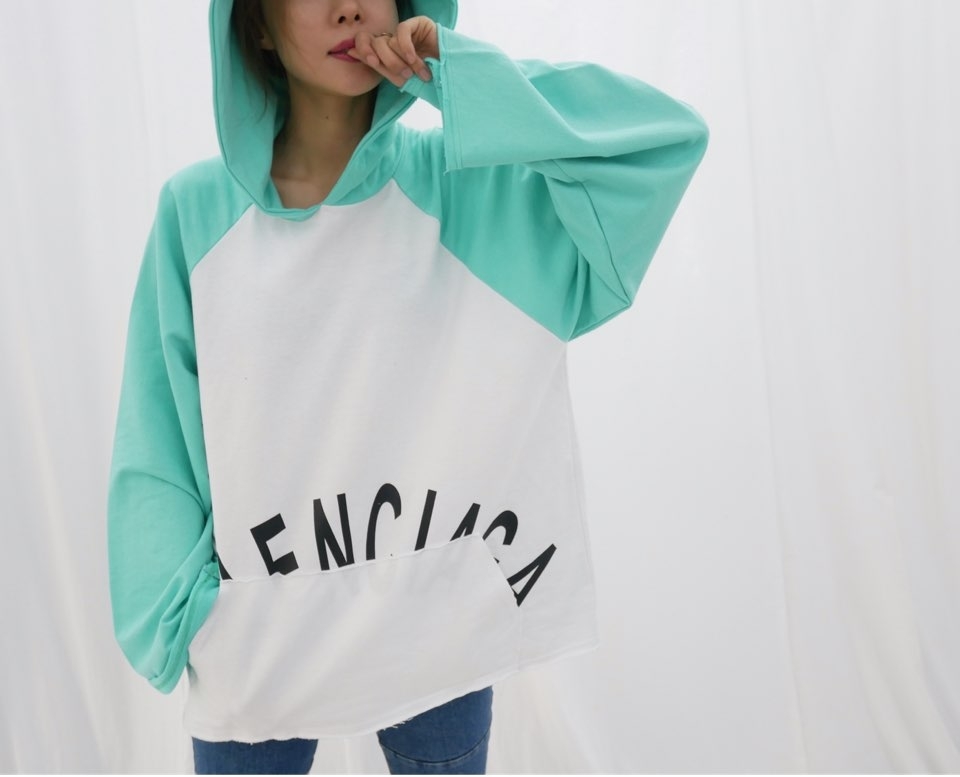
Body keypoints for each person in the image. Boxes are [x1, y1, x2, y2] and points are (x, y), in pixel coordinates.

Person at [106, 0, 708, 773]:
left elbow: (660, 142)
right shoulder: (196, 212)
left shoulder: (469, 190)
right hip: (257, 626)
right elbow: (156, 433)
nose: (349, 7)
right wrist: (182, 619)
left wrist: (459, 78)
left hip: (435, 622)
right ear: (254, 23)